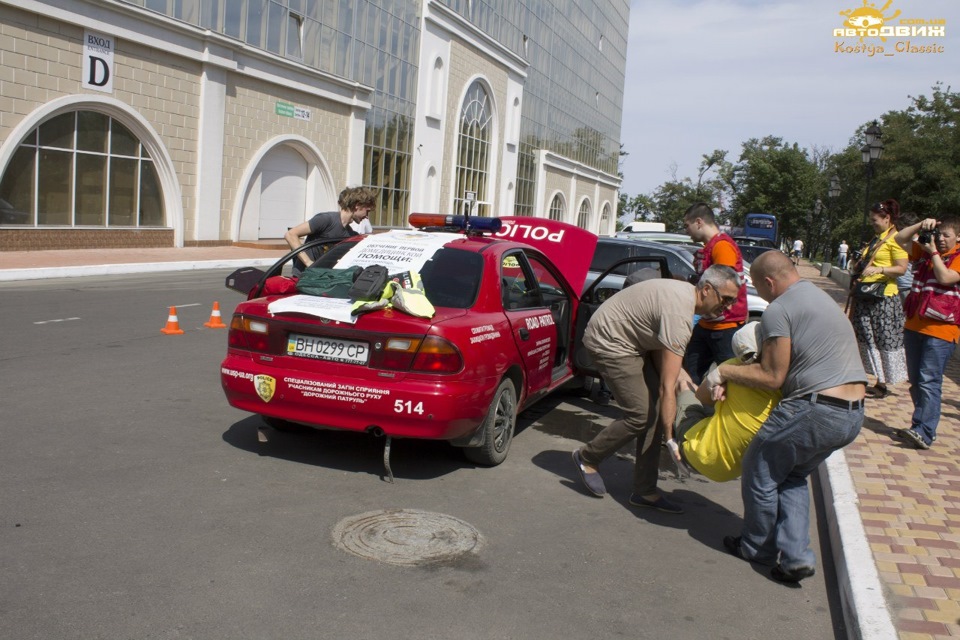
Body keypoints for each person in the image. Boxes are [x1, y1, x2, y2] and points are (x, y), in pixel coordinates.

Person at [706, 250, 866, 583]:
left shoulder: (779, 309)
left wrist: (725, 372)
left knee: (758, 468)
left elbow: (772, 375)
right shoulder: (818, 298)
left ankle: (756, 547)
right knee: (790, 476)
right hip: (852, 415)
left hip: (814, 408)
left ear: (768, 281)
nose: (760, 296)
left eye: (759, 289)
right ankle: (796, 557)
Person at [571, 264, 741, 514]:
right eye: (725, 299)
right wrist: (671, 440)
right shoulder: (680, 315)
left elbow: (671, 369)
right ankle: (588, 457)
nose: (728, 307)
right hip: (610, 342)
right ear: (706, 290)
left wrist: (684, 384)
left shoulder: (685, 298)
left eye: (732, 302)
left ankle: (644, 490)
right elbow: (667, 385)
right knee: (640, 414)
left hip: (636, 341)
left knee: (657, 409)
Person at [671, 321, 781, 482]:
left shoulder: (733, 367)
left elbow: (701, 398)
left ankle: (664, 356)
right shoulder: (783, 380)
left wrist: (724, 380)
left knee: (684, 384)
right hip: (733, 471)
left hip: (699, 454)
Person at [892, 216, 960, 449]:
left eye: (946, 236)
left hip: (942, 331)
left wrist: (932, 253)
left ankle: (924, 431)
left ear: (958, 238)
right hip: (914, 326)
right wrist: (921, 225)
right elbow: (899, 238)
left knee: (929, 381)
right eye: (938, 235)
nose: (940, 240)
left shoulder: (956, 257)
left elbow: (945, 277)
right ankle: (921, 426)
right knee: (915, 381)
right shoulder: (924, 251)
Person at [681, 203, 748, 384]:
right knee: (690, 374)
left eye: (687, 226)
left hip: (725, 328)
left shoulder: (722, 247)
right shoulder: (713, 246)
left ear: (699, 222)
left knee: (729, 381)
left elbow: (724, 285)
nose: (686, 231)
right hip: (708, 325)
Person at [849, 199, 909, 399]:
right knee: (866, 337)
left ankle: (882, 383)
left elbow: (901, 268)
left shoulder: (895, 239)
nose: (872, 223)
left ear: (887, 218)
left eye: (875, 220)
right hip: (866, 295)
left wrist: (880, 269)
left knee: (881, 339)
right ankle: (873, 378)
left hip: (882, 297)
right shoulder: (876, 238)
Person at [283, 186, 378, 276]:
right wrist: (309, 263)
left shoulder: (350, 234)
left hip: (320, 279)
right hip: (303, 277)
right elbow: (291, 234)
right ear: (357, 206)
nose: (367, 216)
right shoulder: (326, 219)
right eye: (367, 211)